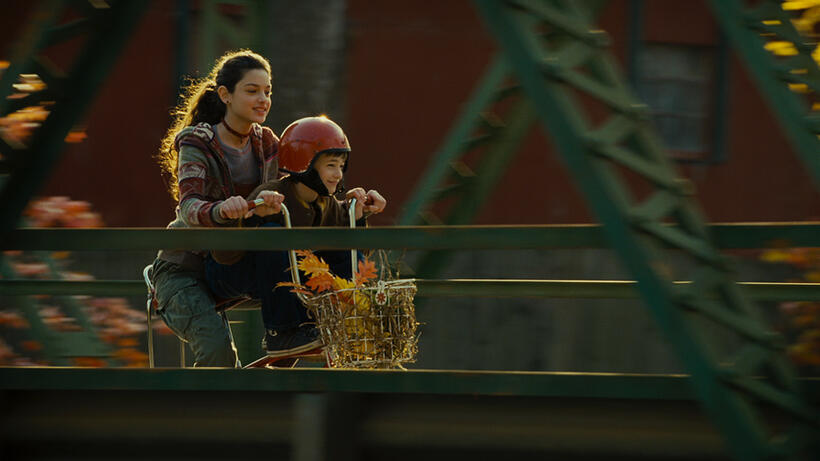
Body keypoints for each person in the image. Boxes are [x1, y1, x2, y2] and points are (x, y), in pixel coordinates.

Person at [205, 115, 387, 358]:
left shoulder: (326, 203)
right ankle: (282, 333)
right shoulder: (272, 195)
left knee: (343, 252)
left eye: (341, 166)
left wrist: (358, 216)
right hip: (231, 272)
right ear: (304, 163)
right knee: (275, 235)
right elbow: (224, 255)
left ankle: (349, 320)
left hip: (279, 277)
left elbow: (352, 256)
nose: (338, 174)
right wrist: (253, 217)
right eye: (331, 165)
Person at [152, 50, 284, 367]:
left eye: (267, 92)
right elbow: (189, 206)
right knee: (218, 354)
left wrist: (350, 198)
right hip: (185, 271)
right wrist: (221, 210)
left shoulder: (267, 142)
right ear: (225, 95)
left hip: (232, 266)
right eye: (252, 91)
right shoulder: (197, 141)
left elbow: (296, 191)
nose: (263, 100)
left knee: (309, 302)